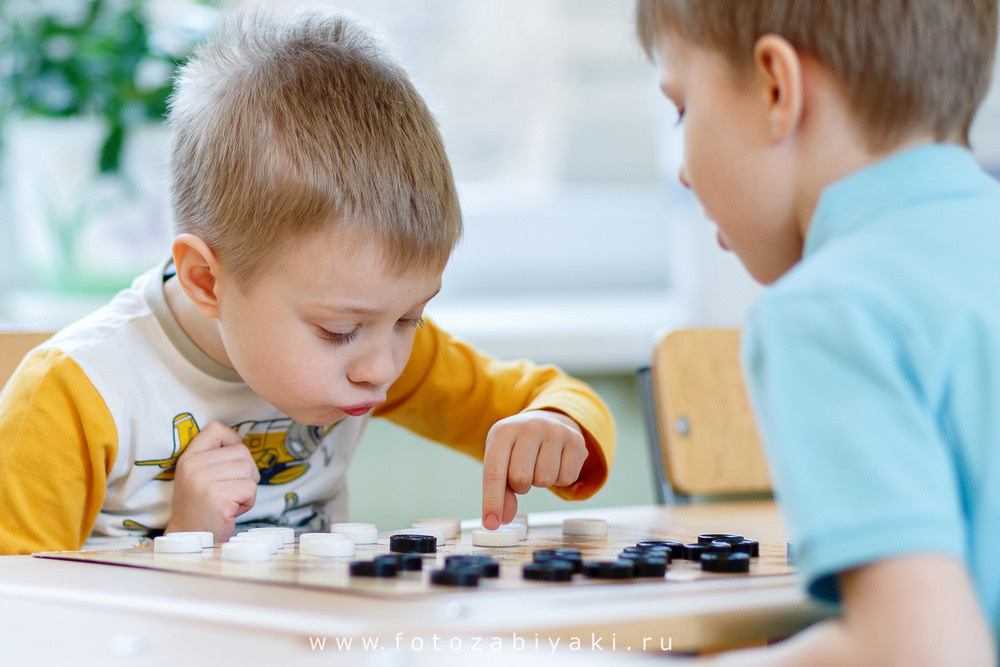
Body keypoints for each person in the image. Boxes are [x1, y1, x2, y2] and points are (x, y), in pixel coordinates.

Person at [0, 6, 614, 555]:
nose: (382, 367)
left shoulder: (370, 346)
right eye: (338, 330)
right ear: (206, 281)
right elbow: (19, 610)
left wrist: (559, 426)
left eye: (410, 318)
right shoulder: (74, 396)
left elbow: (554, 395)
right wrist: (183, 543)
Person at [636, 0, 999, 663]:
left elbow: (919, 654)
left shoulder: (829, 311)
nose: (683, 170)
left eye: (682, 108)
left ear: (776, 88)